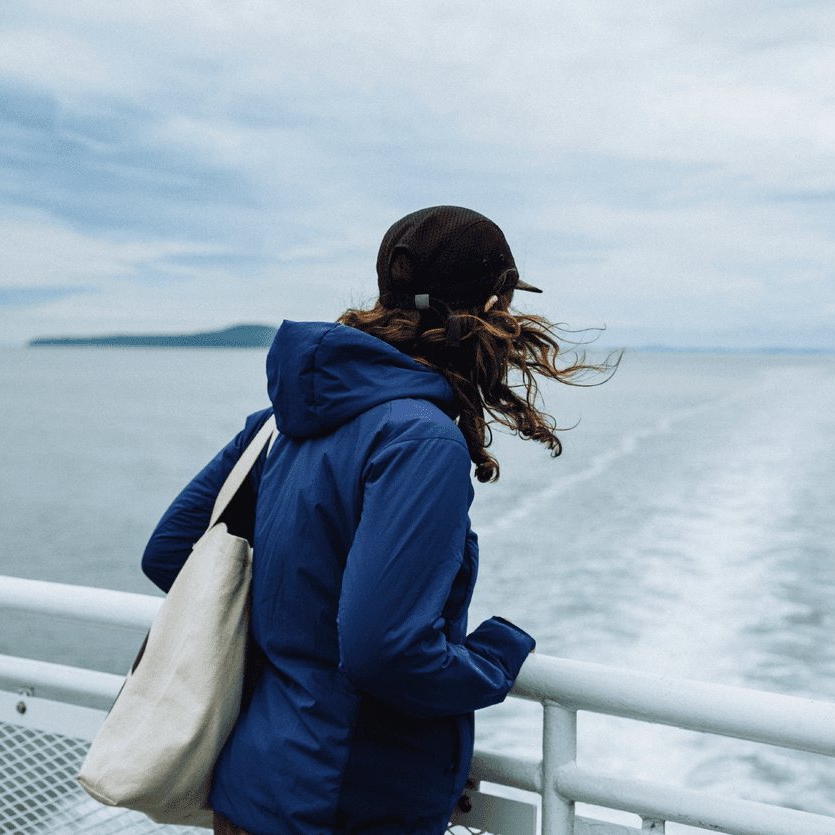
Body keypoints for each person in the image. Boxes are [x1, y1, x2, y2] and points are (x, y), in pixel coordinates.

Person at [141, 206, 615, 835]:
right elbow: (385, 652)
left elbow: (171, 553)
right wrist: (495, 659)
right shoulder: (419, 439)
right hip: (348, 803)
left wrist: (294, 621)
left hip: (253, 787)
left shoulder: (281, 424)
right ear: (496, 304)